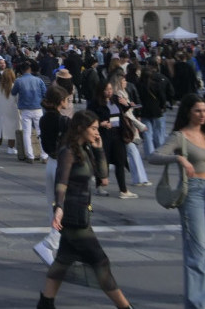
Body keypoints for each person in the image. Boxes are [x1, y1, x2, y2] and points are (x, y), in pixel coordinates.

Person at [37, 111, 134, 309]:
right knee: (100, 262)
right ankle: (125, 307)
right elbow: (61, 182)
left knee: (63, 260)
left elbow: (103, 176)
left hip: (82, 213)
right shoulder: (68, 151)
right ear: (81, 128)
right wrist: (59, 208)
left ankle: (46, 303)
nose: (97, 132)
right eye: (94, 128)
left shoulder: (85, 148)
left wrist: (99, 150)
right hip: (73, 216)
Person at [149, 94, 205, 309]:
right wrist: (178, 158)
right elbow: (153, 156)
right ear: (187, 112)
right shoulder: (179, 136)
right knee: (197, 251)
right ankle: (198, 304)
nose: (202, 115)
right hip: (194, 193)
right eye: (197, 111)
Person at [35, 85, 72, 265]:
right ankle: (51, 243)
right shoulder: (63, 121)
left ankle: (57, 247)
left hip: (50, 162)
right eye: (66, 100)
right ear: (60, 102)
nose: (68, 102)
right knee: (63, 206)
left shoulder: (43, 119)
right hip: (61, 164)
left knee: (53, 206)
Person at [87, 81, 136, 199]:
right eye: (106, 89)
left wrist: (127, 104)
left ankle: (123, 190)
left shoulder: (116, 99)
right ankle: (100, 186)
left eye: (110, 89)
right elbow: (89, 117)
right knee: (104, 160)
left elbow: (123, 111)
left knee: (120, 160)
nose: (109, 91)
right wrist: (100, 123)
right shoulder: (95, 102)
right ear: (101, 91)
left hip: (118, 134)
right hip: (103, 135)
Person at [14, 61, 48, 163]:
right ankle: (44, 155)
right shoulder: (38, 80)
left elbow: (13, 92)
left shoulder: (19, 81)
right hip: (37, 108)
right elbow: (44, 93)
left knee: (27, 132)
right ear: (30, 69)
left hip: (25, 108)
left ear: (21, 71)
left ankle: (30, 156)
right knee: (40, 131)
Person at [0, 68, 19, 155]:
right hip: (12, 110)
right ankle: (10, 148)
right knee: (11, 129)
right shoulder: (14, 86)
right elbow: (18, 99)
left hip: (0, 109)